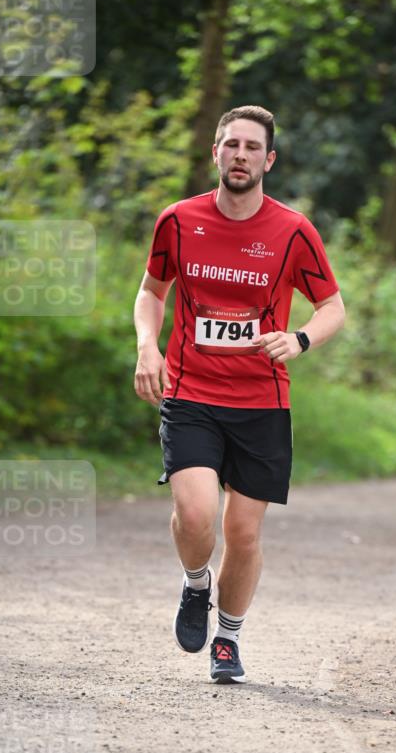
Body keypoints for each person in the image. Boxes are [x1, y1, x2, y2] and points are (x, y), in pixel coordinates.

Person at [133, 105, 345, 684]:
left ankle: (228, 638)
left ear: (268, 160)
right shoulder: (178, 221)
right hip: (191, 390)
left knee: (244, 533)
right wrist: (148, 346)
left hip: (262, 402)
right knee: (196, 512)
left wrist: (299, 340)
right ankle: (195, 583)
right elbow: (152, 291)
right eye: (231, 145)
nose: (241, 155)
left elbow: (333, 306)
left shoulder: (293, 230)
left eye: (252, 147)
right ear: (216, 153)